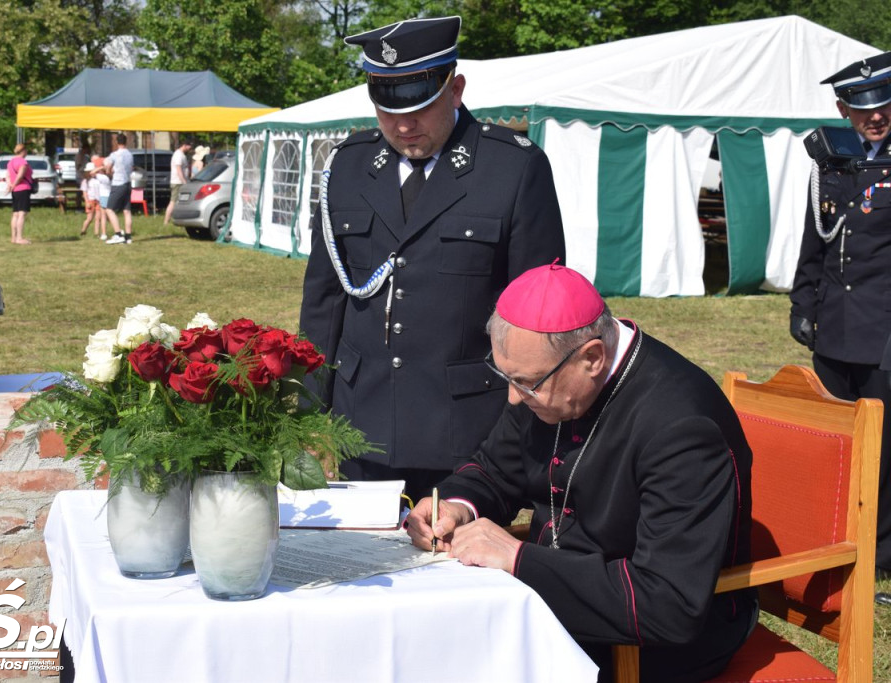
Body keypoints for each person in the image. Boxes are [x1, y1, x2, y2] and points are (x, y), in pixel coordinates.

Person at [405, 264, 756, 681]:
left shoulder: (681, 425)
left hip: (648, 647)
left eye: (527, 383)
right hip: (550, 612)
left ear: (592, 358)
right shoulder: (550, 378)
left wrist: (518, 560)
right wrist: (455, 507)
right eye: (507, 377)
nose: (515, 399)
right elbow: (495, 470)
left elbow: (668, 605)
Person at [298, 16, 566, 504]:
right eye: (388, 109)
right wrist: (305, 410)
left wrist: (524, 426)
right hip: (363, 421)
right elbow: (324, 298)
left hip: (467, 431)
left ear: (456, 88)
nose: (403, 125)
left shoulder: (513, 169)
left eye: (420, 107)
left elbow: (539, 314)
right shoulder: (346, 168)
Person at [790, 50, 891, 605]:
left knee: (887, 449)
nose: (874, 117)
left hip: (883, 331)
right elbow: (818, 237)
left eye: (882, 105)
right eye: (862, 107)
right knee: (836, 440)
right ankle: (834, 543)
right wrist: (803, 301)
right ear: (843, 109)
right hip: (837, 326)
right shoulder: (832, 158)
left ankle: (882, 557)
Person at [103, 133, 134, 245]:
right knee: (127, 211)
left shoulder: (114, 155)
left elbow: (108, 169)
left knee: (109, 209)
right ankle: (128, 237)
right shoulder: (130, 155)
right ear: (126, 142)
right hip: (127, 183)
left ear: (116, 142)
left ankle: (118, 234)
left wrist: (109, 172)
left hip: (118, 183)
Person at [6, 143, 33, 245]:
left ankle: (13, 237)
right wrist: (15, 184)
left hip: (15, 190)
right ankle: (19, 238)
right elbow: (21, 176)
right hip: (23, 188)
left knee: (15, 214)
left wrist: (10, 185)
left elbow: (7, 175)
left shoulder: (10, 162)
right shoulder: (23, 162)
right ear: (23, 151)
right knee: (22, 213)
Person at [164, 138, 194, 226]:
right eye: (189, 147)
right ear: (184, 145)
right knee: (173, 202)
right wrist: (184, 182)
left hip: (180, 182)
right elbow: (179, 170)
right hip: (178, 182)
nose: (190, 149)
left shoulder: (181, 155)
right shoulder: (178, 155)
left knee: (177, 202)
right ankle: (166, 222)